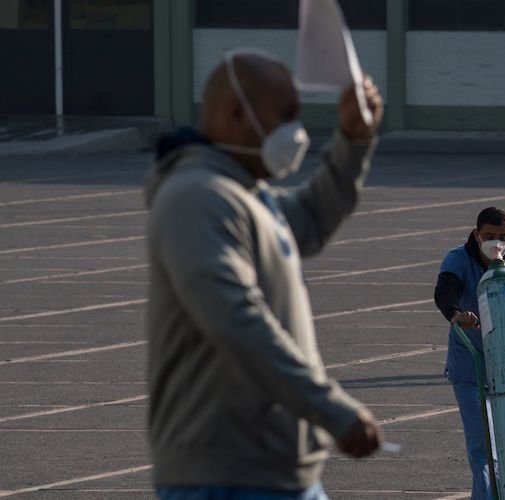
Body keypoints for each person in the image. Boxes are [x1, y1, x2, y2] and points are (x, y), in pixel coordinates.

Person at [144, 49, 384, 500]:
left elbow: (310, 218)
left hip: (273, 473)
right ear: (237, 112)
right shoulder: (197, 198)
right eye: (287, 115)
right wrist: (334, 410)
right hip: (227, 477)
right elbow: (237, 321)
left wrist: (353, 141)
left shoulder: (248, 194)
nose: (296, 132)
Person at [433, 207, 505, 500]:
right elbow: (445, 290)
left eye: (503, 237)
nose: (496, 243)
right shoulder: (458, 259)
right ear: (476, 234)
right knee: (482, 445)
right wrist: (456, 314)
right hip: (469, 364)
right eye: (489, 236)